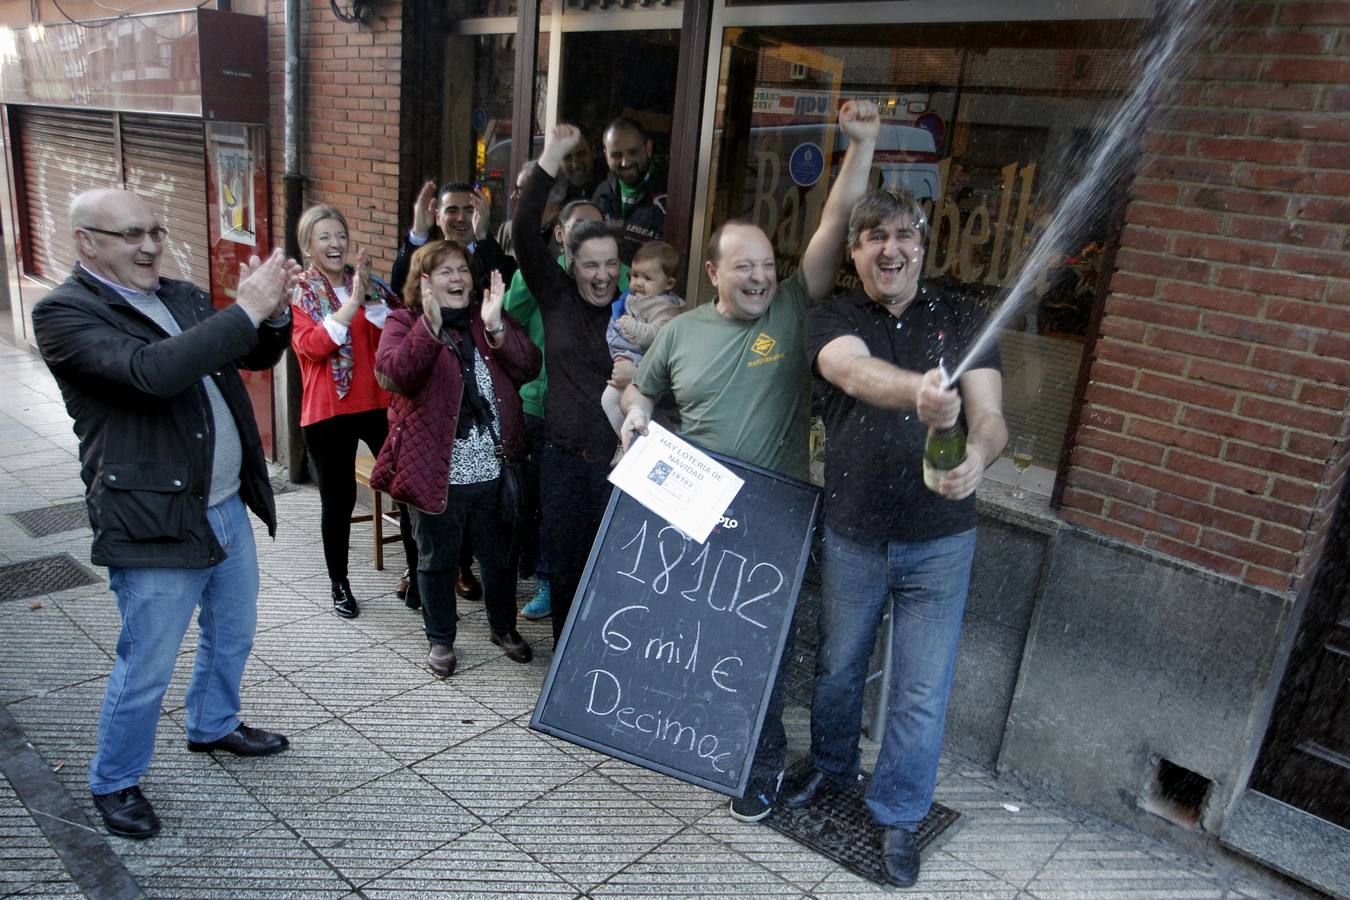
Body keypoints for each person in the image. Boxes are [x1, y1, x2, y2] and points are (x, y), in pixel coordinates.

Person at [620, 99, 881, 823]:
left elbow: (832, 228)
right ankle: (696, 738)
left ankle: (758, 768)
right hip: (697, 507)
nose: (761, 278)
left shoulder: (795, 308)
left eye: (768, 265)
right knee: (693, 635)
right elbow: (642, 394)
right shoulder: (680, 332)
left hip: (775, 513)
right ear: (712, 271)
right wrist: (636, 418)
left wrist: (859, 148)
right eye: (745, 267)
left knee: (759, 651)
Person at [31, 188, 301, 840]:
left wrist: (270, 317)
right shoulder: (64, 314)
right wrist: (245, 309)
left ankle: (213, 724)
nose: (149, 245)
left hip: (224, 505)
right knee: (147, 662)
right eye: (129, 234)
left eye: (154, 229)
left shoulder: (176, 294)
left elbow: (250, 353)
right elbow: (153, 373)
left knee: (232, 631)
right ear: (87, 242)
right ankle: (114, 780)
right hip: (153, 519)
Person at [784, 187, 1006, 887]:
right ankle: (830, 767)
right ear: (855, 252)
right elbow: (848, 369)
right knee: (839, 666)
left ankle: (900, 814)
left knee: (920, 688)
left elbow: (992, 418)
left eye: (904, 234)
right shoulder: (837, 313)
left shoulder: (964, 318)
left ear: (922, 245)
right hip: (854, 532)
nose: (891, 248)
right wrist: (918, 393)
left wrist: (979, 457)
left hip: (942, 541)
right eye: (874, 236)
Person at [372, 241, 539, 677]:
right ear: (423, 281)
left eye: (462, 269)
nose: (457, 278)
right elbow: (394, 374)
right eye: (444, 271)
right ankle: (441, 639)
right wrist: (427, 327)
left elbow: (529, 367)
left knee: (499, 557)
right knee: (436, 559)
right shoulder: (402, 321)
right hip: (435, 472)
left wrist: (497, 325)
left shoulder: (486, 323)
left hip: (493, 465)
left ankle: (502, 628)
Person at [513, 124, 624, 646]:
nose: (602, 277)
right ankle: (564, 662)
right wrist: (551, 157)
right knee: (566, 566)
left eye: (611, 265)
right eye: (590, 266)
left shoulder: (638, 311)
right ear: (571, 264)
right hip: (563, 461)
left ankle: (605, 663)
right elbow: (520, 230)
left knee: (616, 574)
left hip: (622, 467)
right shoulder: (557, 298)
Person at [391, 180, 513, 604]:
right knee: (432, 539)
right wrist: (417, 233)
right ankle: (426, 579)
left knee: (483, 536)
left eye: (468, 210)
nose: (460, 218)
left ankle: (461, 574)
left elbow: (523, 360)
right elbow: (397, 370)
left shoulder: (483, 305)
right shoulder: (411, 307)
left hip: (484, 452)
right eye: (452, 210)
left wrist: (495, 325)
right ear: (438, 215)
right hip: (432, 446)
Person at [290, 204, 400, 619]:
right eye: (324, 237)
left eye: (340, 235)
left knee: (405, 488)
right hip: (327, 411)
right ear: (308, 246)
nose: (335, 244)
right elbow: (314, 346)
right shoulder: (300, 292)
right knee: (338, 501)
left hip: (378, 402)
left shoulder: (371, 286)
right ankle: (340, 584)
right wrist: (352, 302)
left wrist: (367, 298)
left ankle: (413, 575)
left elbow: (393, 333)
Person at [601, 240, 684, 437]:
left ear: (669, 284)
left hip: (650, 365)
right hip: (632, 361)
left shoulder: (666, 307)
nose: (638, 282)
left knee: (612, 400)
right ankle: (630, 440)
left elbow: (658, 336)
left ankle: (632, 442)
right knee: (613, 401)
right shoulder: (638, 299)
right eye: (635, 275)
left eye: (647, 278)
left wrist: (633, 327)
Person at [592, 117, 666, 264]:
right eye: (616, 155)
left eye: (633, 152)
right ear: (606, 155)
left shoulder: (670, 195)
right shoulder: (602, 193)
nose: (625, 162)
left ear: (648, 148)